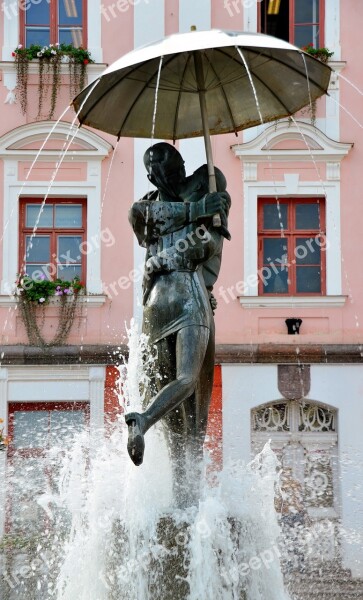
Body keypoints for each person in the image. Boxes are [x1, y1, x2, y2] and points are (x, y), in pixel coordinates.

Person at [126, 143, 230, 504]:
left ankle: (183, 499)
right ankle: (141, 420)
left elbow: (209, 243)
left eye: (182, 166)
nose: (181, 174)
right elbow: (205, 241)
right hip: (185, 297)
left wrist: (167, 262)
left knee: (181, 414)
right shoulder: (171, 203)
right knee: (191, 389)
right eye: (174, 169)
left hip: (156, 304)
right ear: (154, 172)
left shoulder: (200, 193)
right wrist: (203, 209)